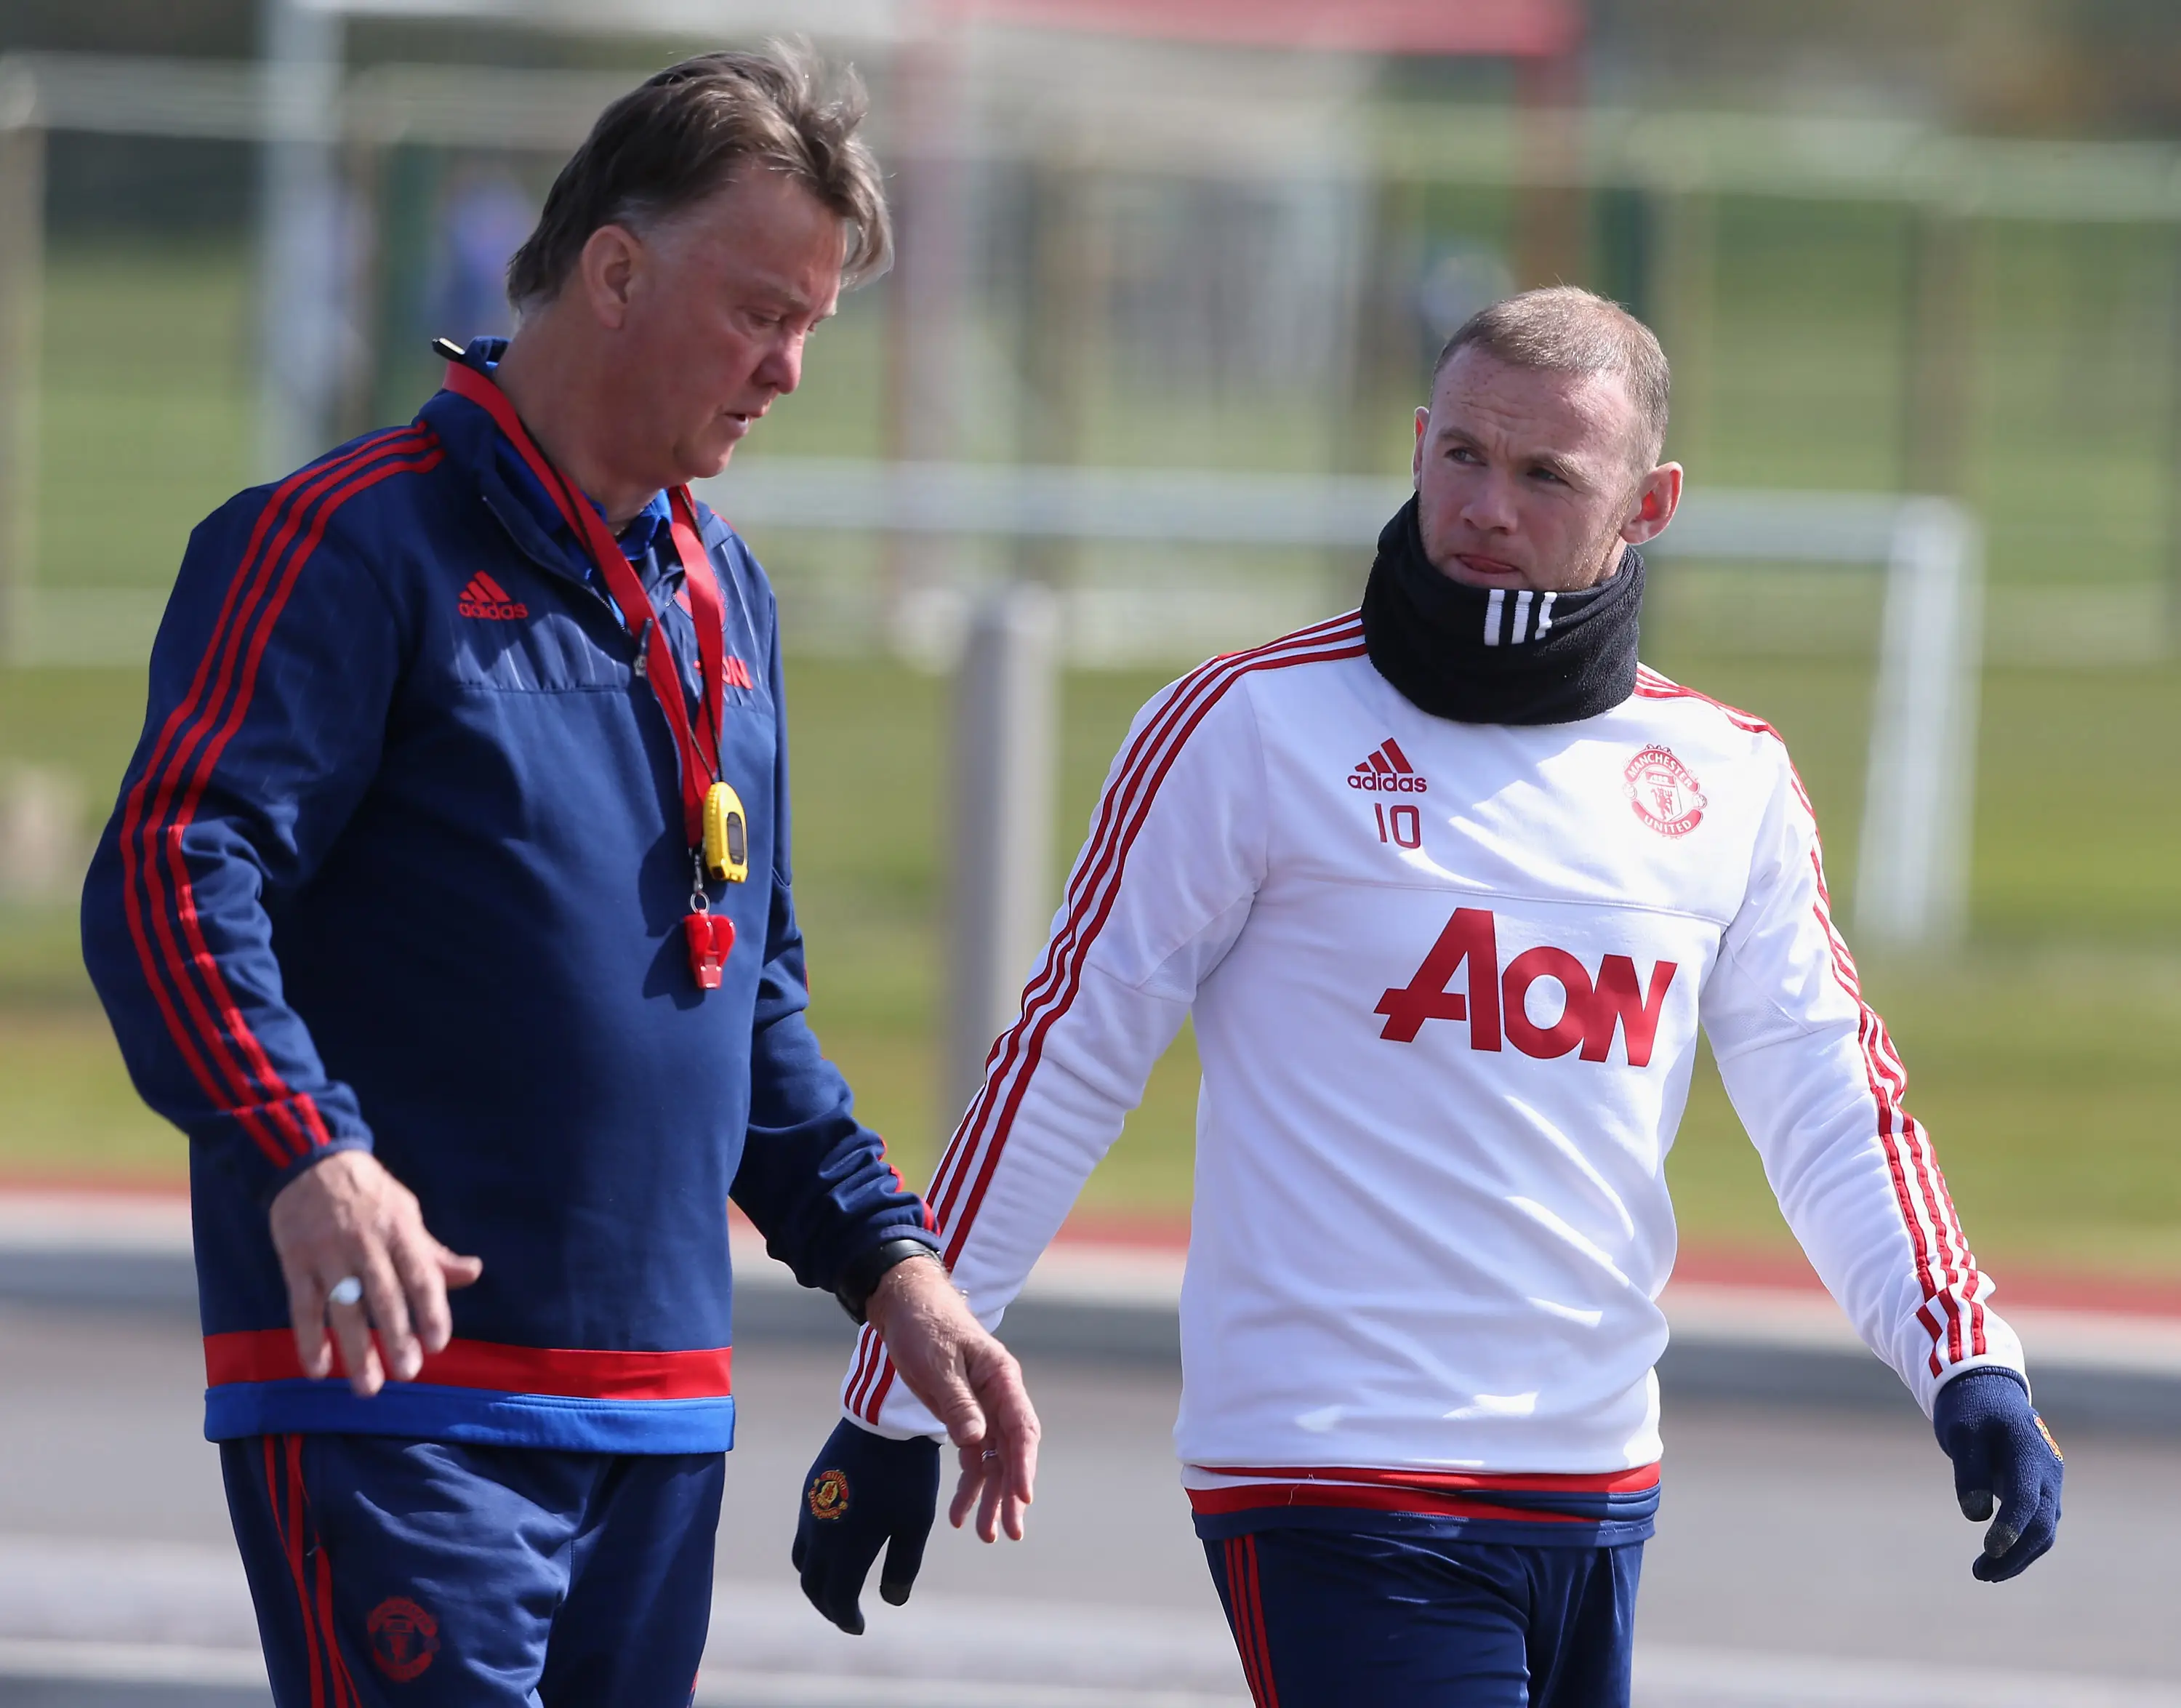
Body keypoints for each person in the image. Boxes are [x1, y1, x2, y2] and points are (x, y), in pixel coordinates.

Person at [791, 287, 2062, 1704]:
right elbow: (1063, 1062)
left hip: (1596, 1483)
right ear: (1416, 444)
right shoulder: (1246, 727)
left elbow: (1830, 1095)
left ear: (1652, 504)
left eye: (1544, 474)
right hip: (1329, 1475)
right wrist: (895, 1403)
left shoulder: (1729, 780)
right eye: (1461, 454)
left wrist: (1968, 1360)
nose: (1485, 506)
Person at [81, 47, 1035, 1707]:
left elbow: (752, 1000)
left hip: (660, 1420)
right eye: (761, 312)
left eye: (814, 324)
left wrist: (900, 1269)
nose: (793, 370)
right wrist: (308, 1151)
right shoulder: (342, 544)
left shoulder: (726, 595)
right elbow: (171, 867)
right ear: (613, 269)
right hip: (403, 1404)